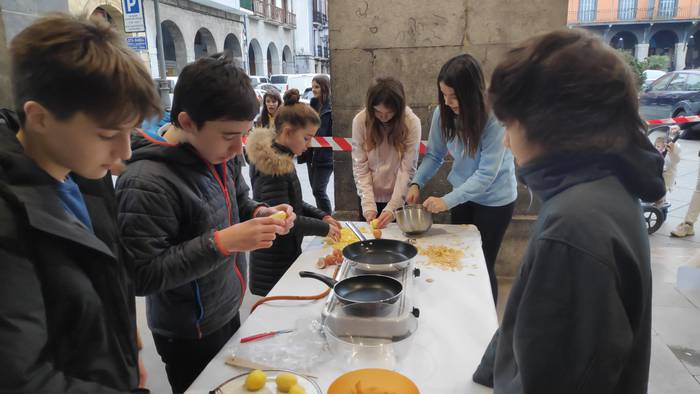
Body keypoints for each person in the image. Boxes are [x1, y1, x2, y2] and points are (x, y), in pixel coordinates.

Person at [473, 28, 664, 393]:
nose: (505, 138)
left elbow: (554, 378)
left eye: (509, 123)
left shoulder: (574, 227)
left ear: (547, 124)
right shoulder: (599, 189)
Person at [116, 55, 295, 394]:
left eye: (244, 135)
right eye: (229, 135)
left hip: (226, 305)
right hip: (187, 331)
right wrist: (223, 243)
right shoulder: (145, 180)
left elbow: (239, 201)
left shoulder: (218, 154)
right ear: (187, 121)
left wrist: (261, 213)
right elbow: (142, 274)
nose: (237, 147)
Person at [0, 14, 161, 393]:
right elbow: (21, 379)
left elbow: (108, 272)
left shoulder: (86, 172)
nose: (124, 152)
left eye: (130, 132)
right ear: (39, 118)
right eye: (108, 134)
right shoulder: (9, 219)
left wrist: (126, 343)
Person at [405, 54, 517, 303]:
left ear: (472, 92)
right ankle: (463, 311)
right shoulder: (442, 114)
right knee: (459, 259)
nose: (448, 102)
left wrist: (446, 201)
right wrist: (416, 183)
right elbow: (434, 154)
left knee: (481, 264)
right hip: (462, 197)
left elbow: (486, 175)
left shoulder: (495, 118)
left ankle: (488, 330)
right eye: (444, 95)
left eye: (454, 96)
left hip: (495, 200)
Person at [246, 90, 341, 295]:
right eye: (306, 138)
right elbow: (284, 220)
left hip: (284, 255)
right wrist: (323, 228)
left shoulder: (282, 158)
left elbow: (294, 204)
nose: (309, 145)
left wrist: (322, 215)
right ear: (288, 132)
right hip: (272, 264)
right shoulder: (272, 168)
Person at [351, 77, 421, 228]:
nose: (383, 117)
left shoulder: (411, 122)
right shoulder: (360, 121)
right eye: (377, 111)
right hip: (368, 194)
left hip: (399, 195)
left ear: (398, 108)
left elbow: (407, 169)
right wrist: (368, 204)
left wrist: (393, 207)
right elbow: (360, 166)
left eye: (389, 112)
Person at [299, 74, 334, 214]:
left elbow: (328, 133)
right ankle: (323, 217)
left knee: (318, 190)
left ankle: (328, 218)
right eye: (313, 86)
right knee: (315, 191)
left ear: (325, 88)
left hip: (325, 157)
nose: (314, 90)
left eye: (317, 87)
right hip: (310, 155)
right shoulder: (312, 104)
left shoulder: (331, 108)